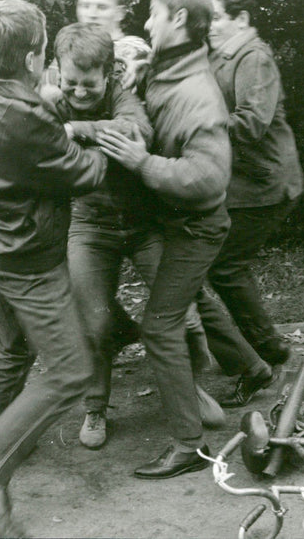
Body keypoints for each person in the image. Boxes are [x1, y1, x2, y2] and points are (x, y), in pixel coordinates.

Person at [0, 0, 107, 535]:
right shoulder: (25, 117)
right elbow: (81, 173)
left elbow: (30, 126)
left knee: (12, 349)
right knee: (70, 371)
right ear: (35, 57)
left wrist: (51, 104)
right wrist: (103, 136)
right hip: (23, 255)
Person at [45, 22, 224, 450]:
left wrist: (78, 130)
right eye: (70, 82)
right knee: (95, 321)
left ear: (108, 73)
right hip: (89, 226)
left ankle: (187, 391)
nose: (79, 92)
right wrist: (57, 112)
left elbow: (137, 132)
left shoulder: (123, 96)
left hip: (144, 226)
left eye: (89, 83)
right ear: (57, 70)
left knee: (177, 317)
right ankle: (96, 406)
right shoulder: (50, 98)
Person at [96, 0, 232, 479]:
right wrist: (132, 78)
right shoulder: (171, 67)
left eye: (153, 15)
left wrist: (143, 162)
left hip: (195, 228)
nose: (146, 24)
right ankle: (215, 392)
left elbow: (208, 177)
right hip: (171, 221)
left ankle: (188, 446)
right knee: (171, 322)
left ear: (177, 20)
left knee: (160, 325)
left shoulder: (197, 93)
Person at [198, 0, 304, 403]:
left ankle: (268, 353)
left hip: (265, 183)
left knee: (224, 267)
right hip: (241, 184)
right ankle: (266, 350)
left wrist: (195, 125)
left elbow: (251, 123)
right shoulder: (221, 54)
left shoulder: (253, 56)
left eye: (216, 18)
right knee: (224, 266)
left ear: (241, 19)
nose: (207, 27)